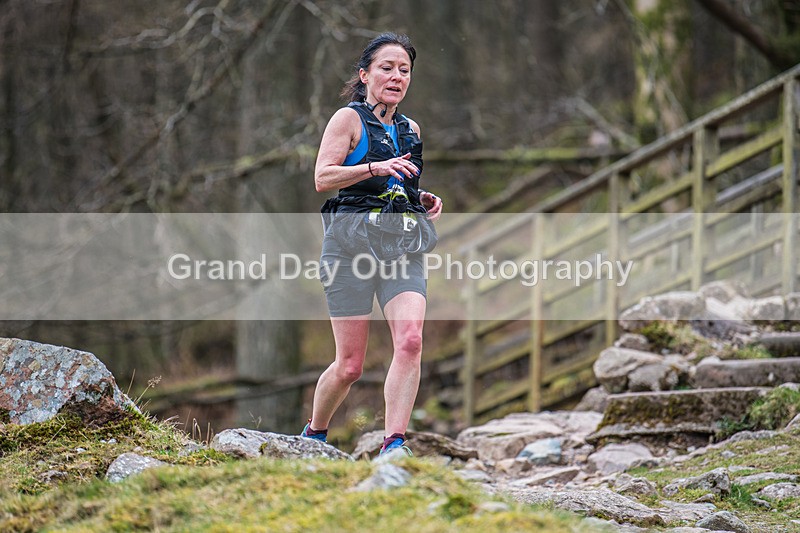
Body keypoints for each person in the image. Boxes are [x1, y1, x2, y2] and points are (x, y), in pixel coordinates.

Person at [300, 32, 443, 456]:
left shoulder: (410, 129)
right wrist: (373, 166)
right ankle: (313, 436)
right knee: (349, 366)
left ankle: (394, 444)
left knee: (411, 340)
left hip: (401, 247)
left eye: (404, 70)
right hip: (349, 248)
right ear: (365, 75)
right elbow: (323, 177)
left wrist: (421, 198)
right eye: (387, 68)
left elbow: (397, 186)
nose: (396, 77)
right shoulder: (347, 120)